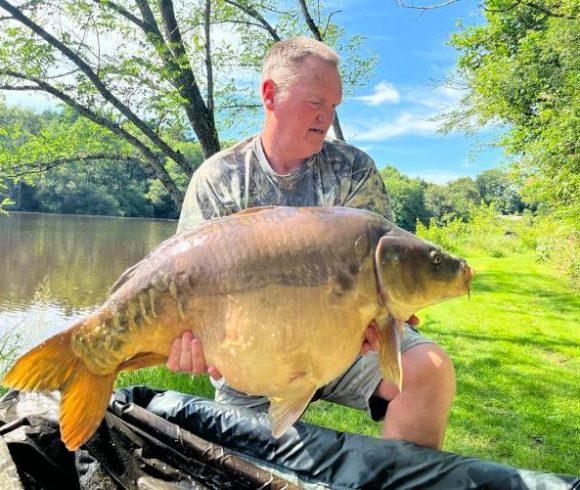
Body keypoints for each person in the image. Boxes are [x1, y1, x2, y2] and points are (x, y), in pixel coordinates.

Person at [167, 37, 455, 450]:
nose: (326, 116)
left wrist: (382, 319)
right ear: (270, 94)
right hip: (253, 357)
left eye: (334, 105)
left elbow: (381, 281)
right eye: (315, 102)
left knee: (429, 370)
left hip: (343, 347)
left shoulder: (353, 170)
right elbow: (184, 290)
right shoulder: (219, 178)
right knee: (241, 469)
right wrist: (190, 343)